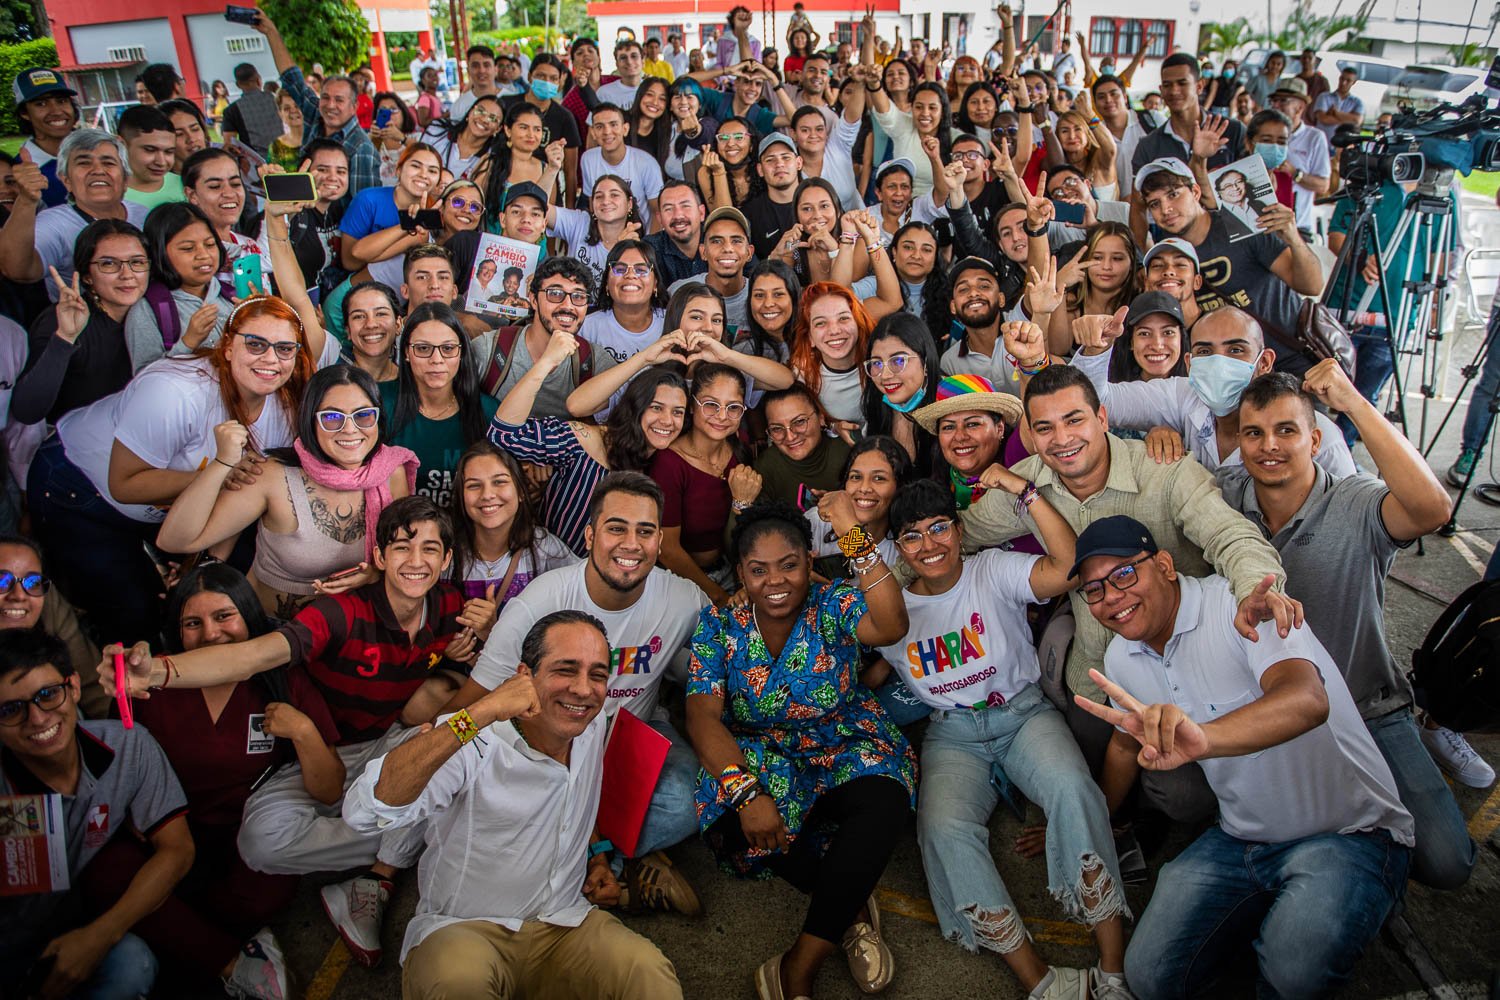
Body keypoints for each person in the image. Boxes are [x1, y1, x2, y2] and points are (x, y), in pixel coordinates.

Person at [105, 497, 489, 968]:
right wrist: (155, 673)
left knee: (452, 746)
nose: (417, 561)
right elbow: (253, 656)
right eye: (403, 547)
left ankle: (377, 871)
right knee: (260, 843)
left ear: (447, 561)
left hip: (388, 743)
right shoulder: (339, 614)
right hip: (321, 755)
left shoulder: (450, 606)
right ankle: (402, 838)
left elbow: (493, 657)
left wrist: (486, 628)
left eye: (431, 550)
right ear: (380, 556)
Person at [1074, 515, 1414, 999]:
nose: (1111, 597)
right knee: (1149, 977)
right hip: (1240, 838)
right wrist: (1095, 823)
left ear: (1166, 565)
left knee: (1295, 974)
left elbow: (1307, 700)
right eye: (1094, 590)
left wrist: (1205, 739)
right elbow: (1126, 745)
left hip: (1349, 832)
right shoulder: (1120, 659)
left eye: (1124, 574)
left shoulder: (1237, 604)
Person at [962, 353, 1294, 773]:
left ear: (1102, 417)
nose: (1061, 439)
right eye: (1044, 428)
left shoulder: (1164, 472)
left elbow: (1230, 535)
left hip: (1185, 670)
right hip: (1093, 673)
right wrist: (860, 550)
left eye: (1074, 420)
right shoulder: (1026, 482)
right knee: (1088, 768)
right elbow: (960, 536)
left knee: (1177, 794)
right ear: (1030, 433)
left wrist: (1254, 590)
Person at [345, 610, 686, 998]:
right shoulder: (473, 738)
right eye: (566, 669)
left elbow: (574, 798)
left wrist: (597, 857)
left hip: (566, 923)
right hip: (466, 932)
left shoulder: (590, 726)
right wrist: (479, 711)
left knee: (649, 973)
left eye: (597, 674)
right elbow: (363, 810)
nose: (582, 689)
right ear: (525, 675)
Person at [879, 478, 1132, 999]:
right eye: (911, 536)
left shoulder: (989, 570)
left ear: (958, 527)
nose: (928, 545)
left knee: (1073, 790)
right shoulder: (892, 609)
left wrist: (1025, 491)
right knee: (942, 829)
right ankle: (1041, 983)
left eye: (938, 527)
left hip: (1022, 715)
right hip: (951, 735)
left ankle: (1114, 972)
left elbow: (1068, 568)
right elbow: (859, 642)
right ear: (898, 547)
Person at [1230, 368, 1493, 818]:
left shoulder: (1356, 500)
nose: (1268, 445)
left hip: (1366, 705)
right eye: (1254, 433)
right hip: (1266, 705)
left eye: (1285, 430)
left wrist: (1354, 403)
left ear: (1315, 442)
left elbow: (1432, 510)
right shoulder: (1224, 496)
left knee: (1447, 863)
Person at [446, 472, 707, 914]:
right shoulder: (541, 600)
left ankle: (595, 866)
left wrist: (853, 544)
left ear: (660, 543)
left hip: (629, 743)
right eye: (616, 528)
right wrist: (420, 740)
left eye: (645, 531)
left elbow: (745, 632)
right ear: (589, 535)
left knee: (691, 796)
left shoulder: (683, 598)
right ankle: (615, 876)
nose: (630, 543)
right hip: (547, 749)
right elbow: (475, 697)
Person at [686, 501, 914, 1000]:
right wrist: (746, 794)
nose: (776, 581)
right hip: (762, 752)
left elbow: (893, 625)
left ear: (810, 561)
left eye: (789, 564)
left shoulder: (833, 602)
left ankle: (797, 966)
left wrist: (852, 535)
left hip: (843, 739)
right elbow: (701, 717)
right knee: (731, 825)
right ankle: (849, 907)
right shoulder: (719, 625)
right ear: (741, 574)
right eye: (758, 569)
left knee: (885, 802)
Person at [29, 296, 317, 644]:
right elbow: (124, 485)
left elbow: (243, 497)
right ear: (227, 346)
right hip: (79, 486)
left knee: (223, 579)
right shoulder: (174, 392)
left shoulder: (285, 409)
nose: (271, 359)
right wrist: (219, 474)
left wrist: (203, 565)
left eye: (285, 349)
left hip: (167, 504)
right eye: (255, 344)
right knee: (133, 613)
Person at [131, 561, 342, 998]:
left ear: (250, 616)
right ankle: (228, 955)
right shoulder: (152, 685)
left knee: (251, 892)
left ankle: (190, 941)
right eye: (193, 623)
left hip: (252, 842)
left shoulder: (283, 679)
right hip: (171, 840)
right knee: (116, 879)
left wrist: (302, 731)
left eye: (224, 616)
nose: (211, 635)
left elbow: (329, 789)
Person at [0, 630, 190, 1000]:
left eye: (47, 694)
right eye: (10, 709)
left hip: (71, 927)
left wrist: (98, 937)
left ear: (72, 686)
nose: (37, 719)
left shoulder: (128, 744)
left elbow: (179, 849)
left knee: (133, 962)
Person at [156, 364, 417, 616]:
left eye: (363, 415)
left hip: (350, 634)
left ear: (378, 419)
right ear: (310, 421)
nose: (350, 429)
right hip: (272, 628)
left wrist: (376, 573)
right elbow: (175, 540)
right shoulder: (272, 475)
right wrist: (222, 463)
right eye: (332, 417)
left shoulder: (390, 471)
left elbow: (402, 555)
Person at [1067, 301, 1356, 475]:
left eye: (1235, 351)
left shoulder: (1315, 436)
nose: (1219, 363)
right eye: (1206, 352)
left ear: (1264, 361)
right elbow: (1098, 402)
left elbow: (1354, 526)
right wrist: (1095, 349)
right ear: (1190, 364)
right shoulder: (1182, 395)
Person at [490, 332, 687, 554]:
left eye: (678, 412)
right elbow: (505, 435)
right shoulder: (585, 443)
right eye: (656, 407)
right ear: (636, 406)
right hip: (545, 574)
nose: (668, 421)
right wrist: (546, 363)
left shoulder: (666, 464)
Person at [1136, 157, 1325, 376]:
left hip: (1294, 361)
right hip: (1234, 376)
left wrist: (1293, 238)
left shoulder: (1241, 225)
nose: (1166, 209)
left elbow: (1312, 286)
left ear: (1196, 192)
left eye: (1173, 194)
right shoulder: (1167, 254)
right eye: (1155, 204)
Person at [14, 220, 144, 426]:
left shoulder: (157, 313)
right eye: (109, 264)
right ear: (87, 276)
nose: (127, 274)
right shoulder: (62, 319)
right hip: (69, 446)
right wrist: (65, 337)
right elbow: (27, 411)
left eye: (137, 262)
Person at [0, 129, 150, 303]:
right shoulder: (53, 223)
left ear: (125, 180)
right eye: (84, 163)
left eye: (108, 162)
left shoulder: (144, 215)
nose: (98, 170)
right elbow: (18, 270)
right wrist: (26, 200)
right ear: (66, 181)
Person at [649, 361, 748, 604]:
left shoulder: (739, 451)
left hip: (732, 571)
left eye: (733, 407)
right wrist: (719, 595)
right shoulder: (669, 464)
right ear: (692, 406)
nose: (722, 416)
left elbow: (748, 527)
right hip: (682, 580)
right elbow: (667, 549)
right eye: (711, 405)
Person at [382, 304, 500, 505]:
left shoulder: (488, 411)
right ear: (407, 353)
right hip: (401, 528)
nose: (436, 360)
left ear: (461, 353)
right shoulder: (380, 402)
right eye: (423, 348)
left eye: (447, 349)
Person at [254, 10, 381, 195]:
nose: (330, 105)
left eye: (339, 100)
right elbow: (292, 79)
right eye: (326, 97)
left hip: (336, 224)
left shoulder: (361, 148)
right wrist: (271, 32)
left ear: (354, 107)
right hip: (304, 213)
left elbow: (362, 208)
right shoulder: (316, 114)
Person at [448, 441, 577, 605]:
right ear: (461, 497)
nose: (487, 495)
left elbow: (582, 590)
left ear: (521, 492)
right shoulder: (446, 555)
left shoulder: (543, 547)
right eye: (474, 485)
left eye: (499, 482)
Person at [0, 533, 102, 715]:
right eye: (2, 581)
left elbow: (93, 687)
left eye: (33, 582)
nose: (19, 595)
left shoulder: (48, 604)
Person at [912, 373, 1026, 513]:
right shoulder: (928, 495)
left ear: (999, 428)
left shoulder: (1020, 465)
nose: (960, 437)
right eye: (948, 427)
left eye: (972, 424)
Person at [746, 383, 851, 505]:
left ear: (821, 417)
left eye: (799, 422)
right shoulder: (766, 467)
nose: (790, 437)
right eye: (777, 428)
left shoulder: (848, 452)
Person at [788, 282, 876, 425]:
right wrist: (834, 427)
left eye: (843, 318)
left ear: (858, 324)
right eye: (821, 323)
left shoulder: (881, 363)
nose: (834, 330)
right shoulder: (802, 373)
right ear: (810, 338)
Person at [581, 103, 665, 231]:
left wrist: (649, 246)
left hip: (640, 239)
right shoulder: (588, 159)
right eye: (599, 126)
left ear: (625, 129)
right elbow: (593, 204)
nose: (607, 132)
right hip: (605, 239)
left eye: (613, 124)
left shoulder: (646, 163)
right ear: (593, 132)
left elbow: (657, 212)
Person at [1267, 77, 1330, 240]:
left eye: (1282, 101)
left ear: (1299, 107)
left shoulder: (1314, 138)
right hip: (1264, 223)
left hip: (1297, 226)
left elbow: (1323, 185)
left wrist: (1295, 173)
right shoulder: (1264, 135)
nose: (1275, 106)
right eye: (1274, 101)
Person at [12, 66, 81, 208]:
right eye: (41, 104)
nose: (56, 111)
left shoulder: (100, 150)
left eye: (61, 101)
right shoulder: (18, 172)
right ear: (24, 113)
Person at [117, 106, 185, 211]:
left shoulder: (186, 186)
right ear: (121, 145)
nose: (161, 162)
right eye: (150, 150)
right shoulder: (109, 197)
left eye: (169, 152)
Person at [645, 179, 709, 285]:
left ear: (701, 213)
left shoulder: (718, 242)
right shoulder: (650, 250)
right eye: (669, 209)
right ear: (660, 219)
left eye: (685, 206)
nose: (678, 215)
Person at [220, 62, 284, 161]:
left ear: (238, 85)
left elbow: (229, 144)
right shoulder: (276, 99)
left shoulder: (232, 110)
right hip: (285, 155)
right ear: (259, 79)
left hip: (256, 163)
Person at [1311, 66, 1364, 142]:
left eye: (1348, 80)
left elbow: (1357, 121)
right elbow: (1324, 119)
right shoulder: (1324, 97)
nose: (1343, 83)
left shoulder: (1357, 102)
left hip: (1343, 144)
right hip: (1323, 141)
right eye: (1342, 78)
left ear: (1354, 82)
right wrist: (1348, 121)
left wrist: (1336, 113)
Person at [448, 45, 500, 120]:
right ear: (468, 70)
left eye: (486, 65)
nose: (482, 70)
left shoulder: (511, 98)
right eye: (475, 66)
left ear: (495, 69)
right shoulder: (459, 106)